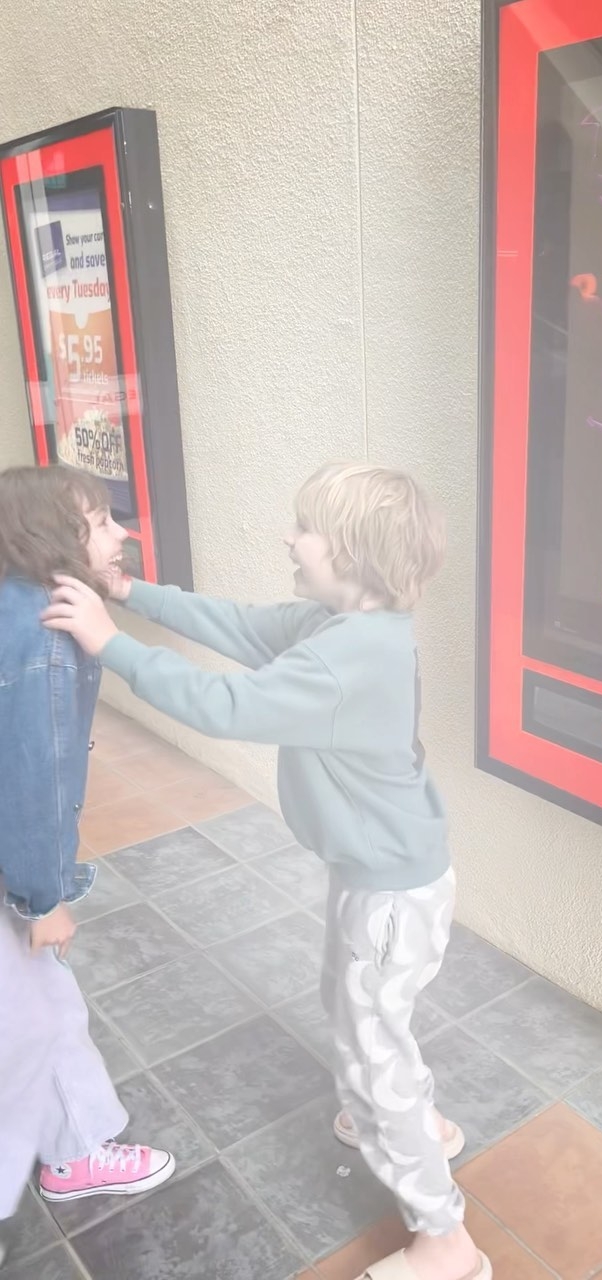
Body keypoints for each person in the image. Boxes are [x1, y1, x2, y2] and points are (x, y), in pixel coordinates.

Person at [43, 462, 492, 1280]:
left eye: (304, 529)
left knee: (373, 1053)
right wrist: (132, 593)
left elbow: (226, 707)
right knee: (361, 1015)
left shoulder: (345, 658)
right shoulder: (343, 626)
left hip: (390, 894)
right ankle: (416, 1122)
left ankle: (445, 1239)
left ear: (351, 553)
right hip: (381, 875)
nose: (289, 538)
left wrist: (111, 643)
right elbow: (240, 625)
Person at [0, 466, 176, 1266]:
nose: (122, 533)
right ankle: (67, 1159)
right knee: (35, 1021)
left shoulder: (21, 603)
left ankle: (75, 1145)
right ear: (52, 539)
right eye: (101, 522)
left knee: (44, 1008)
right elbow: (31, 780)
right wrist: (44, 900)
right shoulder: (43, 637)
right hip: (15, 873)